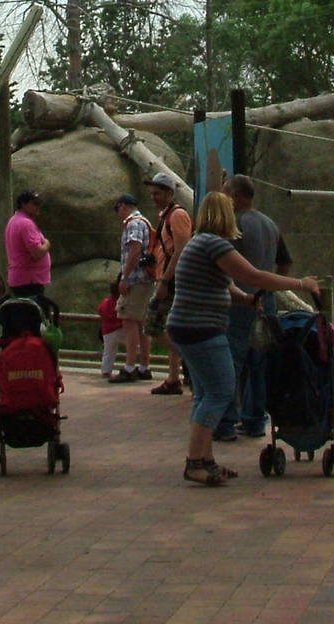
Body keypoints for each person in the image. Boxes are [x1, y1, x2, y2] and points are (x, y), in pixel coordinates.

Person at [169, 192, 318, 487]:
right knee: (221, 392)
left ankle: (205, 459)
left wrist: (246, 300)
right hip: (201, 329)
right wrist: (301, 284)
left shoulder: (200, 243)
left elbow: (224, 285)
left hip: (187, 327)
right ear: (226, 215)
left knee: (205, 393)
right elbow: (256, 275)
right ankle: (195, 462)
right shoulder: (214, 244)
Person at [215, 174, 292, 441]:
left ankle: (225, 421)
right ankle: (255, 419)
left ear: (237, 196)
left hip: (240, 301)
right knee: (259, 363)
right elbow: (285, 262)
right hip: (266, 299)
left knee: (231, 362)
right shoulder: (270, 224)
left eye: (226, 194)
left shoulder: (234, 225)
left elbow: (221, 262)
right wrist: (270, 286)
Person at [144, 171, 193, 395]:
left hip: (173, 281)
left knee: (153, 325)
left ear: (170, 193)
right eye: (152, 193)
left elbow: (182, 249)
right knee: (172, 329)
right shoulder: (165, 215)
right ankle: (174, 378)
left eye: (157, 193)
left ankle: (193, 361)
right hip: (165, 277)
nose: (153, 197)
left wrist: (165, 280)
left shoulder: (177, 215)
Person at [108, 194, 155, 383]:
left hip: (135, 279)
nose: (117, 212)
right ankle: (144, 366)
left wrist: (124, 278)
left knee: (128, 320)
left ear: (123, 206)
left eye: (117, 208)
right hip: (146, 279)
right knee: (141, 322)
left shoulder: (133, 223)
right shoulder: (144, 221)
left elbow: (135, 250)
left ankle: (129, 367)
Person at [4, 189, 51, 298]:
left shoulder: (15, 220)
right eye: (35, 203)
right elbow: (37, 253)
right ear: (23, 204)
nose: (38, 206)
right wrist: (47, 244)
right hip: (29, 281)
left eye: (39, 203)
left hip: (24, 280)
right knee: (34, 314)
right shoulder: (25, 223)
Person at [98, 277, 125, 378]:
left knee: (108, 351)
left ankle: (106, 370)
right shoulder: (121, 302)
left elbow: (100, 310)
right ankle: (133, 366)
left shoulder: (105, 301)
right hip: (121, 329)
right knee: (133, 345)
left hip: (107, 331)